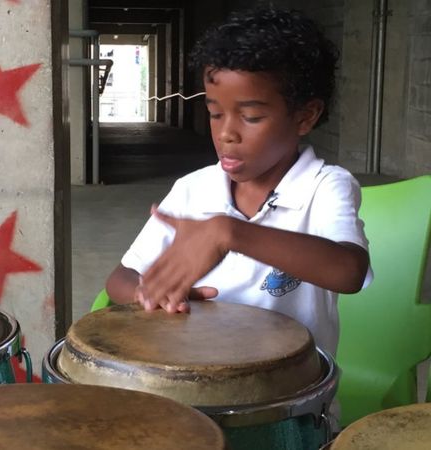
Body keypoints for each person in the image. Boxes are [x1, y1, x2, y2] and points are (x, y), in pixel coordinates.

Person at [105, 7, 372, 357]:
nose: (226, 133)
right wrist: (152, 293)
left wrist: (228, 233)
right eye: (215, 114)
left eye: (251, 117)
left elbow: (349, 271)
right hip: (194, 380)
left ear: (305, 116)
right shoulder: (193, 190)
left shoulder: (324, 187)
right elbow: (119, 280)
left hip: (286, 399)